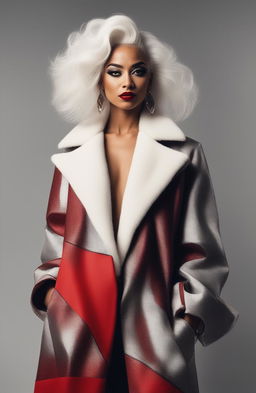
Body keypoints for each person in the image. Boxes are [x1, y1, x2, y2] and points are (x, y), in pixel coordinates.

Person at [30, 13, 239, 393]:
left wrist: (186, 323)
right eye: (115, 71)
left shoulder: (185, 155)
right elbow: (54, 248)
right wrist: (53, 299)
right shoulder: (73, 156)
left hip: (151, 337)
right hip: (81, 331)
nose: (127, 82)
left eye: (138, 71)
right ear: (97, 78)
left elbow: (203, 253)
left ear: (153, 79)